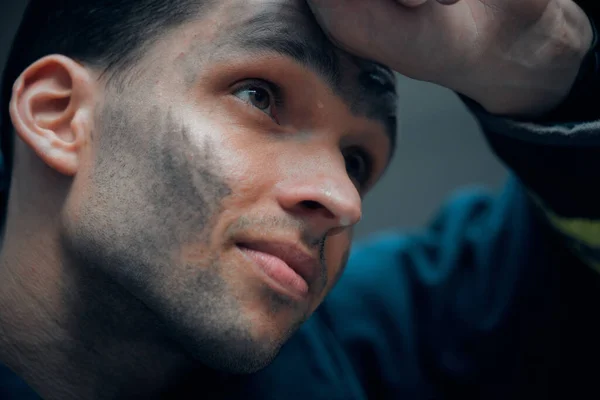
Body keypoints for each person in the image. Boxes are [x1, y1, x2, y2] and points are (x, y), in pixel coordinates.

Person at [0, 0, 596, 399]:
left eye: (356, 161)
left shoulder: (376, 352)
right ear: (58, 114)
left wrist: (545, 62)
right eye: (260, 96)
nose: (342, 199)